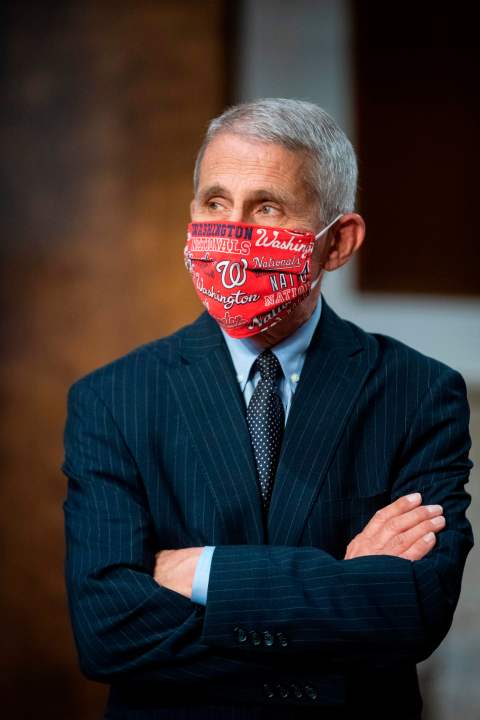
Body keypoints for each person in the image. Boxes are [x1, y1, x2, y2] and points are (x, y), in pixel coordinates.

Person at [63, 98, 474, 719]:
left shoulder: (419, 394)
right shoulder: (112, 398)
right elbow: (108, 633)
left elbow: (411, 610)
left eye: (267, 207)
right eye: (215, 202)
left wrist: (205, 572)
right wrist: (344, 586)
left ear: (337, 242)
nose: (232, 231)